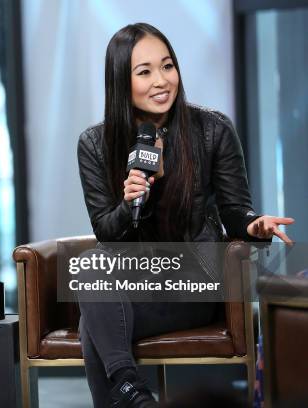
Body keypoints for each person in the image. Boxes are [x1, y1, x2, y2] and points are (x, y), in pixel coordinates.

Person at [76, 23, 293, 407]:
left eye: (167, 66)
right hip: (136, 283)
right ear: (120, 82)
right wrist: (131, 204)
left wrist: (254, 225)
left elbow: (234, 210)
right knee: (92, 269)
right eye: (144, 72)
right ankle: (134, 389)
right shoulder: (95, 143)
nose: (161, 81)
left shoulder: (212, 129)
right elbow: (106, 233)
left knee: (94, 328)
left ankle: (129, 389)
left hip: (197, 282)